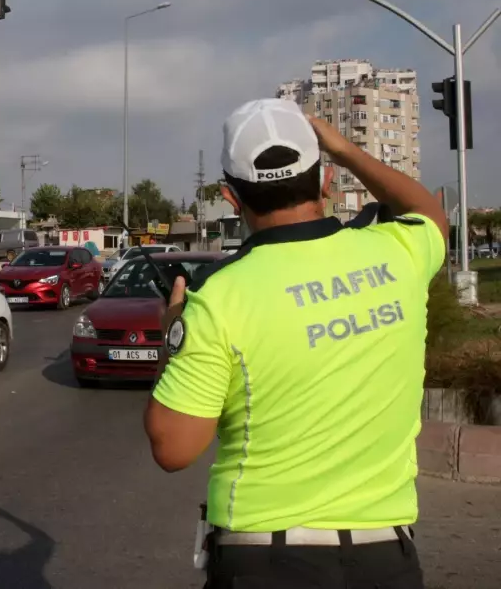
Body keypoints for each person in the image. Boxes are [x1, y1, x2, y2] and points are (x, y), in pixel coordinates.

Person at [144, 98, 447, 589]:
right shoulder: (401, 252)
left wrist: (172, 336)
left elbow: (174, 447)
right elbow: (429, 211)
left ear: (231, 197)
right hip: (386, 558)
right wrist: (346, 150)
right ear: (326, 180)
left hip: (265, 559)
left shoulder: (218, 299)